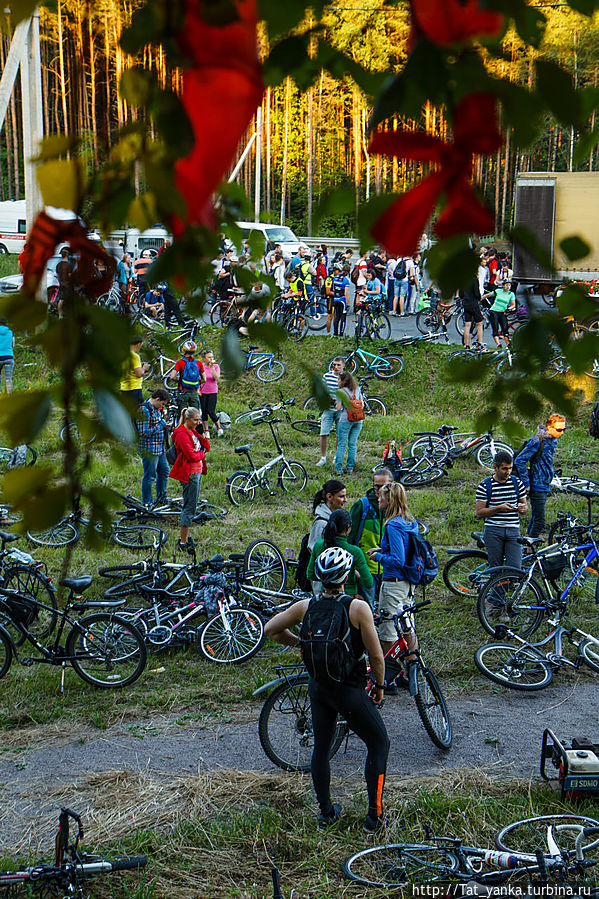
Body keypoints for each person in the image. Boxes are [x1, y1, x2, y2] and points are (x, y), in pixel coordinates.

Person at [264, 547, 389, 833]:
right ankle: (375, 817)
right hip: (349, 691)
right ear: (347, 576)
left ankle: (326, 813)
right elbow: (377, 656)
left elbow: (271, 629)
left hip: (318, 688)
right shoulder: (357, 608)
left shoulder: (305, 606)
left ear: (320, 576)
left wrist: (300, 643)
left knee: (321, 749)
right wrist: (379, 686)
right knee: (379, 744)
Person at [366, 482, 419, 659]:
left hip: (394, 584)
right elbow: (405, 549)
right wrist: (381, 550)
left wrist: (378, 557)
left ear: (389, 499)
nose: (378, 498)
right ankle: (411, 667)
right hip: (408, 583)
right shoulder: (409, 521)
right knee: (407, 626)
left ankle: (391, 674)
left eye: (381, 496)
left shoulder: (392, 525)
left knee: (388, 631)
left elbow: (398, 560)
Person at [348, 466, 394, 610]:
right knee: (368, 610)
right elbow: (350, 539)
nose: (379, 490)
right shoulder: (362, 506)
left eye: (384, 486)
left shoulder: (394, 508)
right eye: (376, 486)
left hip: (388, 569)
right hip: (367, 569)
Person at [514, 413, 566, 537]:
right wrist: (526, 483)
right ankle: (530, 549)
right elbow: (519, 460)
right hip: (536, 485)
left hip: (545, 483)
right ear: (549, 427)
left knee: (536, 517)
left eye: (564, 429)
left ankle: (527, 543)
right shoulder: (537, 441)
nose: (562, 432)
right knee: (540, 521)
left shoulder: (553, 440)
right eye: (559, 429)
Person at [475, 450, 527, 571]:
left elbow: (524, 507)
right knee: (496, 568)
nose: (507, 472)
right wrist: (499, 508)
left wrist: (523, 508)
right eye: (504, 469)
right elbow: (479, 513)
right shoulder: (485, 486)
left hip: (513, 530)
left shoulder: (516, 483)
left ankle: (507, 587)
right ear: (495, 468)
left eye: (510, 468)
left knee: (515, 568)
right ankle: (496, 590)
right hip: (493, 530)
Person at [307, 509, 373, 599]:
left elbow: (310, 574)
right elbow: (368, 582)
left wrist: (328, 578)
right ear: (347, 528)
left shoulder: (319, 545)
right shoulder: (355, 551)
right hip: (348, 598)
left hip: (325, 596)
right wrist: (354, 576)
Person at [169, 406, 210, 550]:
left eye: (199, 420)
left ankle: (184, 538)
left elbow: (207, 446)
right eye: (196, 420)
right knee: (189, 507)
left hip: (197, 471)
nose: (198, 423)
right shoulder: (181, 434)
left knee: (191, 505)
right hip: (190, 473)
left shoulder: (193, 431)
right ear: (187, 419)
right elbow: (192, 456)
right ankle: (183, 541)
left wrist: (202, 435)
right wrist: (202, 454)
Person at [138, 387, 171, 506]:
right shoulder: (144, 410)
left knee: (164, 471)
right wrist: (161, 425)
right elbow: (143, 432)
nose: (163, 406)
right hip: (149, 449)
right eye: (162, 403)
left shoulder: (156, 409)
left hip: (159, 448)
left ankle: (161, 498)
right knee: (150, 476)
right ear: (157, 399)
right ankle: (147, 502)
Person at [316, 356, 345, 467]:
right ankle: (323, 458)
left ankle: (337, 457)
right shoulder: (327, 376)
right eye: (334, 365)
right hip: (328, 409)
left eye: (338, 365)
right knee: (324, 433)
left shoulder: (346, 377)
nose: (336, 367)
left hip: (341, 410)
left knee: (339, 435)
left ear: (343, 366)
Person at [335, 370, 364, 475]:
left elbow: (338, 408)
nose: (337, 381)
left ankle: (338, 468)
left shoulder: (340, 392)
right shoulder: (357, 389)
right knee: (353, 444)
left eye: (338, 379)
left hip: (345, 419)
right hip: (358, 420)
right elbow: (362, 405)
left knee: (342, 444)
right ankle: (350, 468)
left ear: (342, 381)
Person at [308, 479, 347, 551]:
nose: (345, 500)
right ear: (329, 497)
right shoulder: (321, 523)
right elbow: (314, 550)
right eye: (341, 496)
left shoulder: (337, 518)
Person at [170, 340, 205, 414]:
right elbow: (204, 379)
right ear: (194, 352)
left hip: (183, 391)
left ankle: (181, 425)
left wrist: (180, 381)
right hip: (194, 392)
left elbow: (172, 376)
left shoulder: (180, 362)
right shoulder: (198, 363)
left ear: (184, 350)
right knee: (195, 414)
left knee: (182, 414)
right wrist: (196, 384)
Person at [120, 335, 150, 406]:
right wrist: (144, 368)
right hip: (134, 388)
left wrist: (139, 365)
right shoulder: (135, 356)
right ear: (138, 344)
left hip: (124, 388)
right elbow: (139, 374)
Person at [486, 278, 516, 348]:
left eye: (509, 285)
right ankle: (498, 344)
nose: (508, 287)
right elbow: (488, 295)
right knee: (495, 328)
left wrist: (508, 309)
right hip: (494, 311)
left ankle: (508, 345)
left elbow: (513, 305)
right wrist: (480, 299)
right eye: (506, 285)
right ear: (503, 285)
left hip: (503, 312)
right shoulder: (498, 291)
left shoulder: (511, 294)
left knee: (505, 329)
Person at [199, 349, 222, 438]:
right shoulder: (201, 367)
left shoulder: (216, 366)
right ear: (204, 358)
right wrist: (198, 389)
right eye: (209, 357)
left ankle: (219, 428)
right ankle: (206, 430)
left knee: (211, 411)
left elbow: (216, 378)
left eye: (212, 357)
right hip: (203, 392)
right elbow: (198, 379)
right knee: (204, 412)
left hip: (212, 392)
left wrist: (212, 367)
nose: (211, 359)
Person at [459, 276, 484, 349]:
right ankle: (480, 344)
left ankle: (467, 344)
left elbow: (461, 294)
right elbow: (476, 292)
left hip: (466, 303)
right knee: (479, 323)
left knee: (467, 324)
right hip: (474, 303)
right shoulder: (474, 279)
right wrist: (479, 298)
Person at [332, 263, 351, 336]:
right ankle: (341, 333)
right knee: (343, 317)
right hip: (342, 300)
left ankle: (335, 332)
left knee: (337, 317)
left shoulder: (335, 277)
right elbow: (346, 293)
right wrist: (348, 303)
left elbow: (333, 288)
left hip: (336, 298)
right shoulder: (346, 280)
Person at [56, 246, 75, 316]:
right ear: (68, 255)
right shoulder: (69, 265)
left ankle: (60, 315)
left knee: (61, 300)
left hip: (61, 284)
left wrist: (60, 282)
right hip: (68, 285)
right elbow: (69, 276)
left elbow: (58, 276)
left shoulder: (58, 265)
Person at [0, 318, 14, 393]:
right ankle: (9, 395)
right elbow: (13, 345)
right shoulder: (10, 331)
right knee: (8, 379)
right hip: (9, 357)